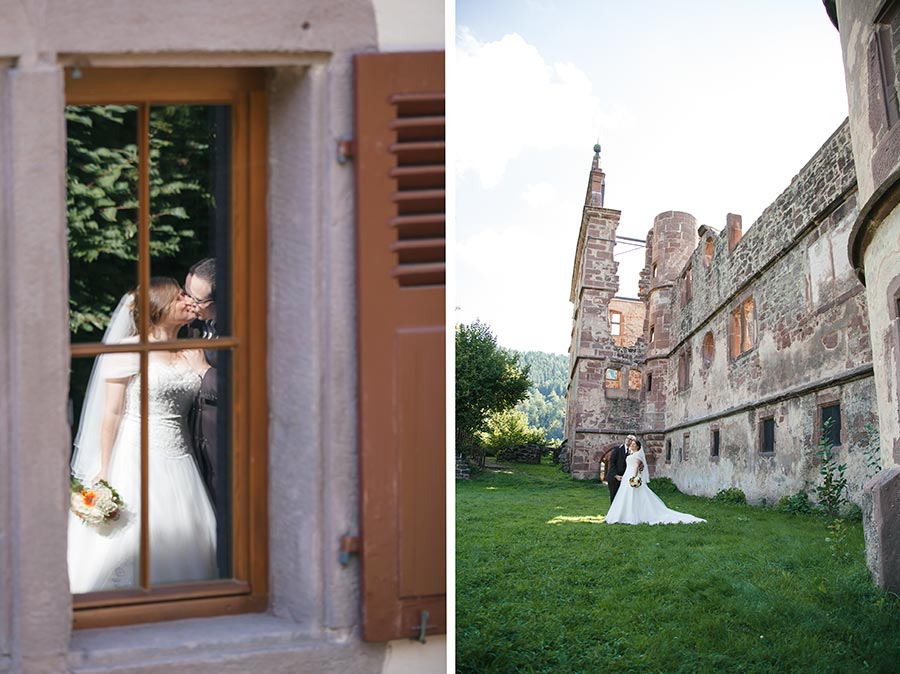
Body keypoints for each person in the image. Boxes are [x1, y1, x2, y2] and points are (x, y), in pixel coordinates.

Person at [67, 277, 218, 593]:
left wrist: (201, 365)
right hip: (136, 452)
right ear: (161, 307)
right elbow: (112, 413)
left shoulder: (192, 348)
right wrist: (106, 469)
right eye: (179, 297)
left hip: (183, 455)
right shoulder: (129, 349)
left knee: (188, 530)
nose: (188, 301)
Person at [184, 257, 229, 574]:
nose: (188, 302)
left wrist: (203, 371)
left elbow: (247, 382)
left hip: (225, 443)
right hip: (192, 443)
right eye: (186, 292)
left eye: (196, 299)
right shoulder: (192, 325)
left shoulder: (239, 328)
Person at [606, 439, 705, 525]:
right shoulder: (631, 454)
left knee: (633, 494)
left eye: (634, 445)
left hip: (632, 475)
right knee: (624, 494)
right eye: (631, 445)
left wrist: (634, 477)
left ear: (638, 447)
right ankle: (622, 515)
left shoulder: (637, 456)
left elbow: (638, 467)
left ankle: (632, 515)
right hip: (627, 474)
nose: (632, 446)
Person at [606, 434, 635, 504]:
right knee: (614, 496)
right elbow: (612, 463)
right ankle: (612, 514)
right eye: (628, 438)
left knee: (622, 498)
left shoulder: (632, 452)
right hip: (613, 477)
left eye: (631, 439)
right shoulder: (617, 449)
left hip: (624, 478)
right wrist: (616, 475)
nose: (629, 440)